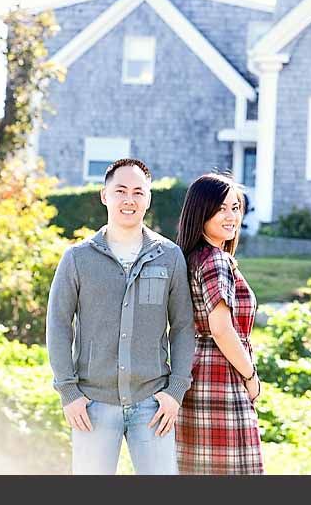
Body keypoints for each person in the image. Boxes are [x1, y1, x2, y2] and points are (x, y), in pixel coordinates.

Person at [46, 157, 195, 475]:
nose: (130, 200)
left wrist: (175, 391)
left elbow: (182, 326)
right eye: (121, 190)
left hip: (153, 404)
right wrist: (68, 392)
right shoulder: (78, 258)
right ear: (104, 195)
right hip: (92, 405)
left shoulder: (168, 256)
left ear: (149, 197)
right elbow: (58, 324)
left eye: (139, 192)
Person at [175, 171, 264, 475]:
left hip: (194, 373)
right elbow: (222, 328)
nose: (230, 216)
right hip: (220, 378)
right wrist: (250, 376)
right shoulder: (215, 260)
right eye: (221, 208)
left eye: (235, 208)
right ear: (202, 211)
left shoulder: (192, 257)